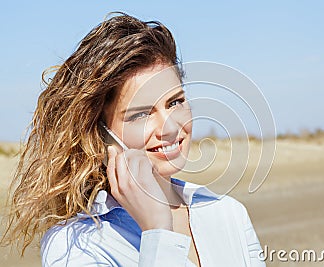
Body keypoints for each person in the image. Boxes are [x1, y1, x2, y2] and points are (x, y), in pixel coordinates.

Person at [2, 13, 265, 266]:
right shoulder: (76, 243)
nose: (170, 127)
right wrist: (158, 232)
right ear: (101, 134)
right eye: (140, 114)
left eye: (175, 102)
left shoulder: (228, 213)